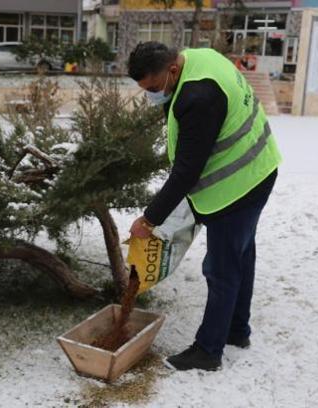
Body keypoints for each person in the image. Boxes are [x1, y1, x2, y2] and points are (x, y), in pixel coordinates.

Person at [127, 42, 282, 371]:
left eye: (154, 88)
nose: (152, 96)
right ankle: (237, 330)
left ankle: (209, 351)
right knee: (242, 253)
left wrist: (149, 219)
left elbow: (186, 172)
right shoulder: (199, 57)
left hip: (239, 186)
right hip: (259, 166)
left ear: (171, 71)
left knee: (221, 268)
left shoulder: (198, 99)